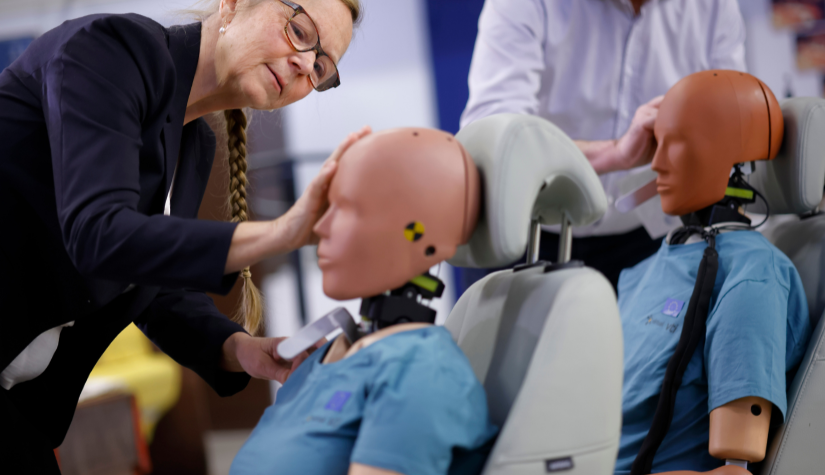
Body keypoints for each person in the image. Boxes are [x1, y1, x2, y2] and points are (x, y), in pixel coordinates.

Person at [0, 0, 368, 471]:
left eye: (321, 66)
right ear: (232, 5)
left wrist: (243, 351)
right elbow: (99, 233)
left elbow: (158, 292)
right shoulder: (110, 51)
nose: (302, 64)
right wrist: (281, 232)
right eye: (298, 30)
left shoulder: (194, 147)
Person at [229, 128, 498, 475]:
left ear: (418, 230)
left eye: (346, 208)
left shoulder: (419, 370)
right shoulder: (319, 356)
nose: (320, 227)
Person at [460, 0, 747, 290]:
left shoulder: (715, 6)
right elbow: (497, 143)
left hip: (645, 237)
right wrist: (616, 153)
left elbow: (732, 122)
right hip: (529, 235)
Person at [615, 71, 811, 474]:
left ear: (730, 156)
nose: (656, 163)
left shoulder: (751, 277)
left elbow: (732, 471)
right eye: (657, 144)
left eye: (676, 143)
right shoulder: (640, 272)